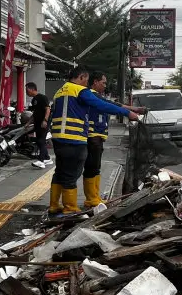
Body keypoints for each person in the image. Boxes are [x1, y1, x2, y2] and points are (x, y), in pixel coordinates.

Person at [50, 65, 139, 215]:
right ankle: (70, 209)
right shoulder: (79, 91)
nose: (87, 83)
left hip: (58, 139)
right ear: (82, 77)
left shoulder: (59, 92)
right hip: (74, 139)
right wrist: (127, 113)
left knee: (60, 172)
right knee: (72, 175)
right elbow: (102, 105)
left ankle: (54, 205)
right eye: (86, 80)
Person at [82, 71, 116, 209]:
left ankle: (95, 196)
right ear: (95, 82)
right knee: (92, 167)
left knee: (96, 167)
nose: (105, 85)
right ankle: (91, 199)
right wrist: (130, 110)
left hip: (98, 136)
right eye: (103, 82)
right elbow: (111, 105)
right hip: (92, 136)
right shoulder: (91, 95)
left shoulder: (97, 96)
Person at [26, 82, 53, 169]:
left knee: (41, 141)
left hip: (44, 123)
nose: (26, 92)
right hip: (37, 123)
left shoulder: (42, 97)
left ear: (32, 89)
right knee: (39, 141)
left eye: (27, 90)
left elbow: (47, 109)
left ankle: (41, 161)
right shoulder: (34, 100)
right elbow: (34, 114)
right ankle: (47, 158)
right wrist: (28, 123)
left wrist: (45, 120)